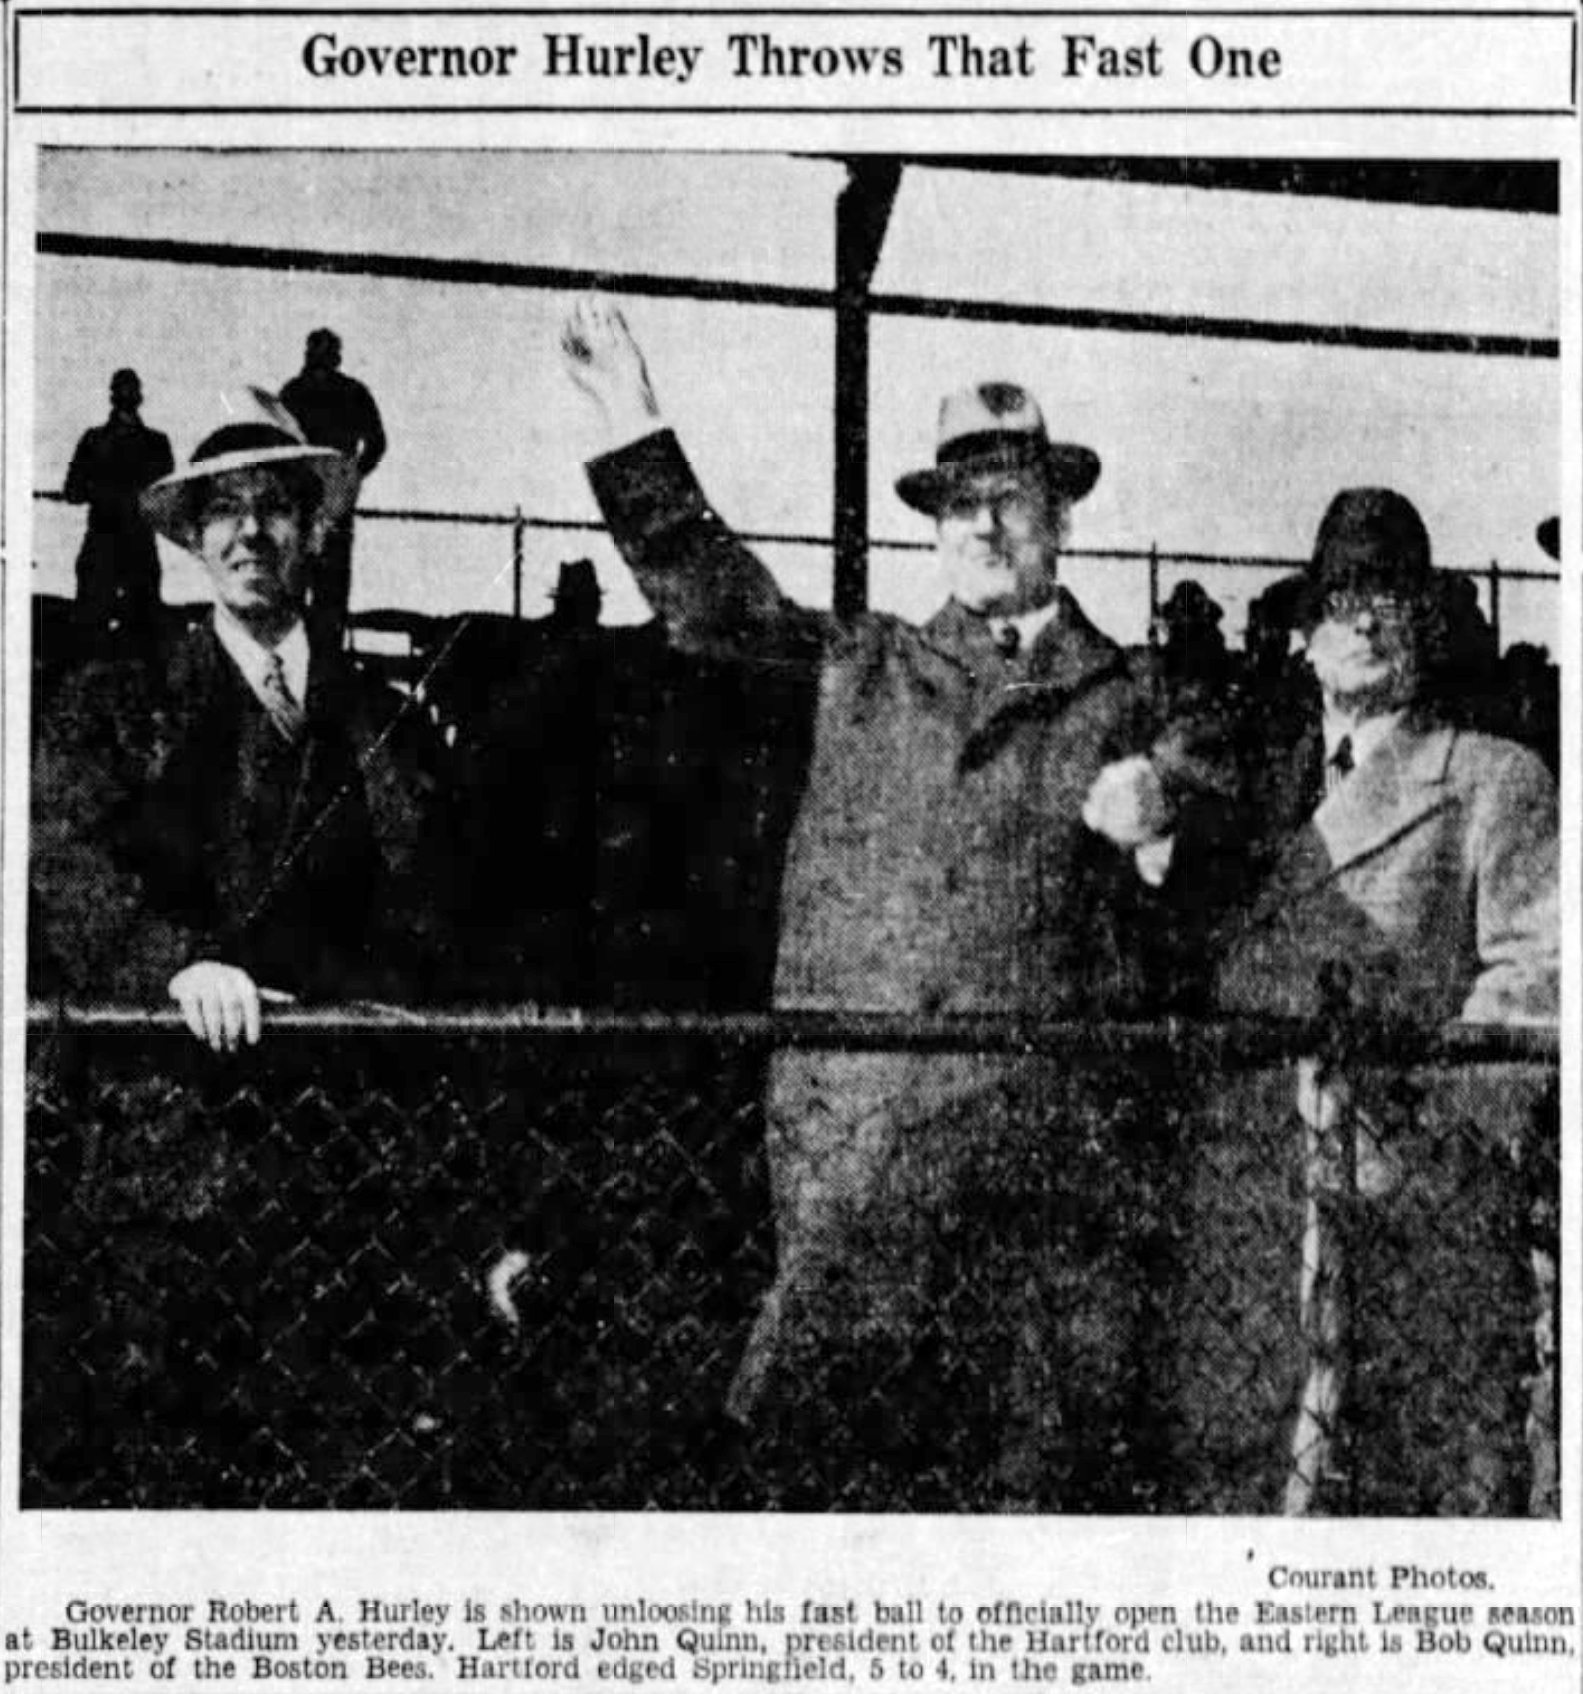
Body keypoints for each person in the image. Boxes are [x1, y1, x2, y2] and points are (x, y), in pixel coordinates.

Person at [562, 296, 1240, 1508]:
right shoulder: (861, 667)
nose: (984, 522)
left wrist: (1162, 797)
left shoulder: (1132, 689)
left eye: (1012, 495)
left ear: (1059, 517)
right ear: (931, 525)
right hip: (857, 1199)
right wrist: (632, 420)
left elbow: (1228, 769)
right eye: (958, 499)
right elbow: (716, 606)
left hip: (1041, 1223)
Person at [1196, 488, 1558, 1515]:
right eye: (1340, 599)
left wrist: (1427, 1137)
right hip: (1249, 1218)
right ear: (1302, 636)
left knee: (1418, 1496)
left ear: (1426, 626)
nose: (1362, 621)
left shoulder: (1493, 779)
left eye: (1389, 599)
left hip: (1412, 1228)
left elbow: (1536, 975)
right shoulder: (1252, 790)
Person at [31, 387, 450, 1052]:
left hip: (354, 1097)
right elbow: (62, 860)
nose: (250, 533)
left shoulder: (390, 721)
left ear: (313, 528)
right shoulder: (117, 704)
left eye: (275, 507)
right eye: (224, 509)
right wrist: (177, 965)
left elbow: (436, 900)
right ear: (195, 538)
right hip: (175, 1095)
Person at [279, 328, 387, 642]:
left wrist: (348, 478)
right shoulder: (349, 391)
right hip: (321, 503)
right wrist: (350, 478)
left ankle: (307, 668)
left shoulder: (295, 392)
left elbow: (377, 443)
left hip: (307, 503)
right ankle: (322, 668)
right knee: (324, 595)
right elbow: (377, 444)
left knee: (303, 592)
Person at [63, 368, 174, 655]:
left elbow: (73, 492)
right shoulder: (156, 443)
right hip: (131, 545)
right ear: (140, 397)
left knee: (94, 635)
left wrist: (103, 492)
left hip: (108, 542)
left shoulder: (95, 440)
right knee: (138, 637)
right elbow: (166, 497)